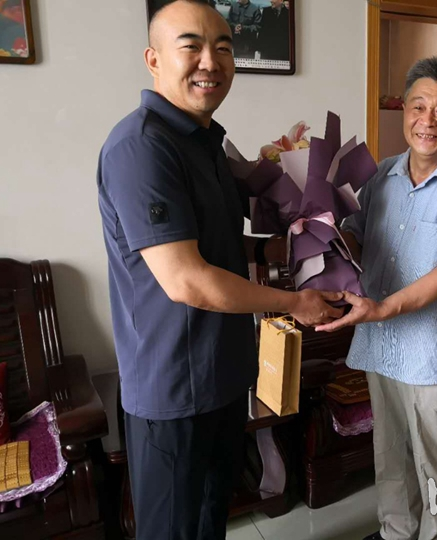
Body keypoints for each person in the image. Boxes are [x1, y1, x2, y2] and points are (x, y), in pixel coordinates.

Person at [96, 1, 341, 538]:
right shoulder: (142, 148)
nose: (211, 61)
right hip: (171, 391)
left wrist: (283, 248)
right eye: (192, 46)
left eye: (224, 48)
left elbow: (216, 248)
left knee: (211, 521)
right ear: (153, 59)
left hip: (222, 377)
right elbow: (187, 279)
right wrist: (295, 302)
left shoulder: (204, 143)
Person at [318, 57, 437, 540]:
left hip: (433, 353)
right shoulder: (381, 175)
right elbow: (357, 238)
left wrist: (381, 307)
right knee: (390, 451)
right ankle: (396, 531)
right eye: (418, 106)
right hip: (382, 345)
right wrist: (317, 221)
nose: (428, 120)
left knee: (436, 462)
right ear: (403, 110)